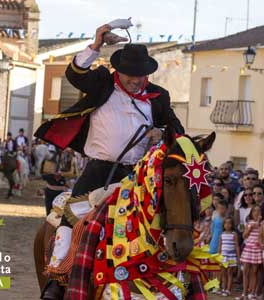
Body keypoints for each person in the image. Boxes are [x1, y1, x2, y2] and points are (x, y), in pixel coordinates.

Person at [36, 24, 184, 299]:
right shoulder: (102, 83)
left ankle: (171, 280)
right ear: (119, 71)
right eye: (131, 75)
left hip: (140, 176)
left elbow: (178, 132)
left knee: (173, 218)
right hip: (99, 170)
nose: (137, 80)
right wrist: (96, 44)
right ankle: (57, 279)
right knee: (71, 217)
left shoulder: (159, 97)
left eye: (142, 75)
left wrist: (161, 132)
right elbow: (75, 73)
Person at [239, 206, 263, 300]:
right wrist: (249, 229)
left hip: (257, 249)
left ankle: (252, 293)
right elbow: (244, 236)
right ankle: (244, 293)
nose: (256, 213)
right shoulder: (249, 223)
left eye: (258, 211)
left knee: (254, 272)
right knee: (245, 272)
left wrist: (258, 222)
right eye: (254, 211)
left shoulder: (262, 223)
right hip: (248, 248)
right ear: (251, 213)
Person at [218, 217, 240, 297]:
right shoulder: (222, 234)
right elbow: (220, 246)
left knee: (230, 273)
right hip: (223, 257)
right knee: (223, 273)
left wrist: (238, 257)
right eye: (226, 223)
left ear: (232, 225)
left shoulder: (234, 234)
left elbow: (237, 246)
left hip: (232, 257)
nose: (227, 225)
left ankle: (228, 289)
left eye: (229, 223)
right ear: (223, 225)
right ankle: (224, 288)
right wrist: (218, 256)